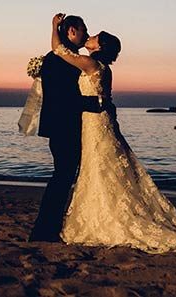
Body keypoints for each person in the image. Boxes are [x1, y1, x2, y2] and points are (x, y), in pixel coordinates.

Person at [48, 13, 176, 257]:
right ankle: (102, 218)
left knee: (100, 169)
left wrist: (54, 26)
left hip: (95, 123)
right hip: (98, 123)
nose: (90, 36)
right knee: (103, 170)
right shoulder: (104, 68)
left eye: (95, 37)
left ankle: (104, 222)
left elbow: (59, 50)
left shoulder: (91, 64)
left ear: (100, 46)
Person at [29, 15, 101, 242]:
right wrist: (96, 104)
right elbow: (64, 98)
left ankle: (47, 229)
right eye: (84, 30)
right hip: (65, 126)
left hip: (59, 125)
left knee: (62, 177)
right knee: (62, 178)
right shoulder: (63, 60)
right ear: (71, 31)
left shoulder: (58, 56)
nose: (87, 34)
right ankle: (44, 231)